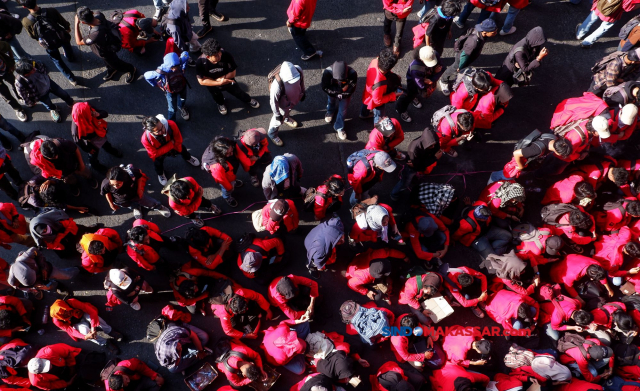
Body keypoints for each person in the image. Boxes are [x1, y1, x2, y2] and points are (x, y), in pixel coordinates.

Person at [18, 0, 78, 86]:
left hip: (48, 43)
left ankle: (72, 79)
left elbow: (32, 35)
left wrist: (39, 40)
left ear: (24, 7)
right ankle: (70, 57)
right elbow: (63, 22)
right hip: (60, 36)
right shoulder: (51, 10)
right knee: (67, 46)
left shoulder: (26, 21)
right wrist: (67, 28)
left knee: (57, 60)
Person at [195, 39, 259, 117]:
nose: (220, 55)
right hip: (213, 85)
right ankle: (221, 104)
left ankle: (248, 100)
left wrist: (223, 79)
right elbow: (201, 81)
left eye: (219, 52)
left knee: (238, 92)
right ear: (208, 56)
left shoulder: (226, 55)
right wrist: (219, 82)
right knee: (217, 96)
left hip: (228, 81)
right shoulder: (200, 62)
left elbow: (233, 73)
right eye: (216, 55)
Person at [74, 6, 136, 83]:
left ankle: (131, 69)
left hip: (106, 51)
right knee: (107, 62)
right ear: (92, 13)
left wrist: (76, 24)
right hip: (107, 44)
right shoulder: (99, 14)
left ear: (83, 22)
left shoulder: (95, 34)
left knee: (116, 64)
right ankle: (111, 69)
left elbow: (79, 41)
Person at [440, 19, 498, 95]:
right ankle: (443, 80)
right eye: (493, 32)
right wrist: (460, 67)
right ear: (485, 32)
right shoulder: (473, 42)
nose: (496, 33)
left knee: (461, 68)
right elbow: (464, 55)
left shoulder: (479, 32)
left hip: (468, 55)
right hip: (461, 57)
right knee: (454, 67)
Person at [140, 114, 201, 186]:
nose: (163, 130)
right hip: (168, 148)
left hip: (171, 147)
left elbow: (179, 140)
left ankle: (189, 158)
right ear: (151, 132)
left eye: (162, 126)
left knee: (183, 150)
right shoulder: (145, 139)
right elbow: (154, 154)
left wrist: (170, 145)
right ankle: (160, 174)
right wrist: (171, 144)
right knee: (158, 164)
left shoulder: (171, 124)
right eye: (158, 131)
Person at [29, 137, 98, 196]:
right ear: (45, 156)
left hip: (73, 164)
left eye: (56, 154)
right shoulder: (37, 159)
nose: (56, 157)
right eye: (53, 157)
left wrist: (81, 164)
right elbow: (42, 169)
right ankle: (74, 184)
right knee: (69, 180)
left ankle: (89, 178)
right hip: (62, 174)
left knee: (84, 172)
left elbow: (75, 148)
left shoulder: (61, 143)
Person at [49, 298, 121, 353]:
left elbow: (90, 310)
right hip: (76, 323)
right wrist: (85, 337)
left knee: (95, 318)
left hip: (84, 314)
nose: (68, 314)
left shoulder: (71, 302)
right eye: (64, 315)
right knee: (85, 332)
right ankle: (105, 343)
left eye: (66, 311)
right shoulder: (57, 321)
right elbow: (70, 330)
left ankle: (110, 331)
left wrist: (93, 328)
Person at [102, 164, 171, 220]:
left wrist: (139, 190)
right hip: (122, 201)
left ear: (124, 178)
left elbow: (139, 175)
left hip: (135, 194)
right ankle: (137, 208)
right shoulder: (106, 184)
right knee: (132, 206)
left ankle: (159, 207)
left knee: (149, 202)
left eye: (118, 184)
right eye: (112, 184)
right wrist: (111, 203)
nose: (115, 186)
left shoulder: (131, 173)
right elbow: (107, 193)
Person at [391, 127, 442, 201]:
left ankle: (410, 177)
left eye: (434, 144)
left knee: (410, 177)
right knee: (405, 183)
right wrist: (434, 158)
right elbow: (418, 166)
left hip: (417, 165)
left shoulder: (432, 142)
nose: (433, 146)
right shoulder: (414, 149)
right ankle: (394, 194)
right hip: (412, 168)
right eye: (431, 145)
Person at [496, 132, 571, 182]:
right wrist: (520, 167)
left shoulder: (553, 138)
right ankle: (497, 181)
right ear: (557, 151)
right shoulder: (537, 150)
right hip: (522, 161)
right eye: (562, 154)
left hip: (529, 159)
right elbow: (516, 153)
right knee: (507, 175)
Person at [71, 102, 123, 173]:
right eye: (88, 112)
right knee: (93, 156)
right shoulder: (76, 129)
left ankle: (111, 150)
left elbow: (105, 113)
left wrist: (99, 114)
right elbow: (78, 141)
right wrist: (88, 149)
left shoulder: (89, 108)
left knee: (106, 144)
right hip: (91, 142)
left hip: (100, 134)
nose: (91, 112)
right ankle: (96, 166)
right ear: (84, 116)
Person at [8, 247, 77, 300]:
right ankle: (57, 285)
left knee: (67, 275)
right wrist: (34, 288)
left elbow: (36, 251)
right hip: (40, 282)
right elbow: (24, 289)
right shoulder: (14, 283)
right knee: (50, 288)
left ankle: (78, 269)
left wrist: (43, 267)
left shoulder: (25, 257)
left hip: (46, 270)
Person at [396, 46, 443, 122]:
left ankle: (413, 97)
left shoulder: (434, 55)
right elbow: (421, 85)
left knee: (414, 94)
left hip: (425, 80)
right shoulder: (416, 68)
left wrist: (431, 79)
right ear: (421, 59)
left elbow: (441, 68)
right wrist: (432, 78)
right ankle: (401, 109)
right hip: (414, 83)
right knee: (409, 94)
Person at [170, 259, 234, 314]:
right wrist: (201, 297)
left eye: (195, 288)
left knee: (210, 279)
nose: (196, 290)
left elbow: (210, 273)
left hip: (195, 271)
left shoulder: (192, 273)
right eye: (195, 291)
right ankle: (201, 303)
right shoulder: (179, 295)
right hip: (192, 292)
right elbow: (186, 302)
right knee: (193, 310)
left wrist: (229, 280)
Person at [144, 52, 190, 122]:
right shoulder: (160, 71)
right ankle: (172, 122)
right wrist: (156, 84)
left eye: (176, 66)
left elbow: (186, 54)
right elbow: (146, 75)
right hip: (170, 92)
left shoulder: (180, 61)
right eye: (172, 68)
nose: (174, 69)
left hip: (182, 86)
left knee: (183, 98)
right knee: (172, 109)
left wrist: (184, 67)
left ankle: (181, 107)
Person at [268, 61, 305, 146]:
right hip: (283, 105)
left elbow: (302, 81)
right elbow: (273, 102)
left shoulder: (297, 70)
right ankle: (272, 134)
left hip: (293, 100)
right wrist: (277, 115)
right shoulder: (276, 86)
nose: (294, 81)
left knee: (287, 112)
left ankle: (286, 118)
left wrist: (303, 91)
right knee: (277, 121)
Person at [360, 48, 400, 125]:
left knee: (365, 103)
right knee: (379, 115)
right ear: (390, 68)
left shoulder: (374, 61)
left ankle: (363, 114)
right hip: (376, 98)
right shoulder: (380, 84)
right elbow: (378, 101)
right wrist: (393, 95)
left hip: (368, 93)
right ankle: (378, 128)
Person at [321, 61, 357, 140]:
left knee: (343, 110)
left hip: (344, 94)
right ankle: (330, 111)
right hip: (334, 92)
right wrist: (340, 90)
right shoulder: (327, 72)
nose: (340, 81)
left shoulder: (352, 73)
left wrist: (342, 94)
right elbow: (325, 87)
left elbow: (351, 89)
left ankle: (339, 127)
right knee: (331, 101)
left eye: (342, 80)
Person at [0, 42, 28, 122]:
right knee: (6, 95)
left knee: (15, 83)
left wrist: (11, 63)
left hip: (6, 70)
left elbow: (7, 46)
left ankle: (20, 96)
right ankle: (18, 109)